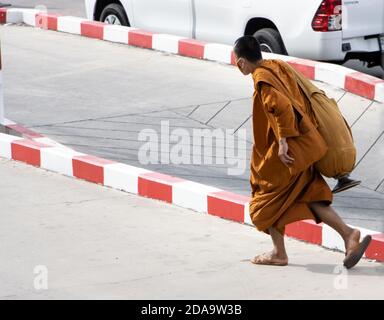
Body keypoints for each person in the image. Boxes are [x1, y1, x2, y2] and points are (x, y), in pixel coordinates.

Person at [233, 35, 371, 269]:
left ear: (242, 62)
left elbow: (283, 108)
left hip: (286, 154)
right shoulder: (276, 66)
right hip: (305, 145)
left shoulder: (262, 78)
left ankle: (279, 253)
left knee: (264, 199)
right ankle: (349, 235)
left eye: (237, 62)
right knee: (309, 193)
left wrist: (284, 142)